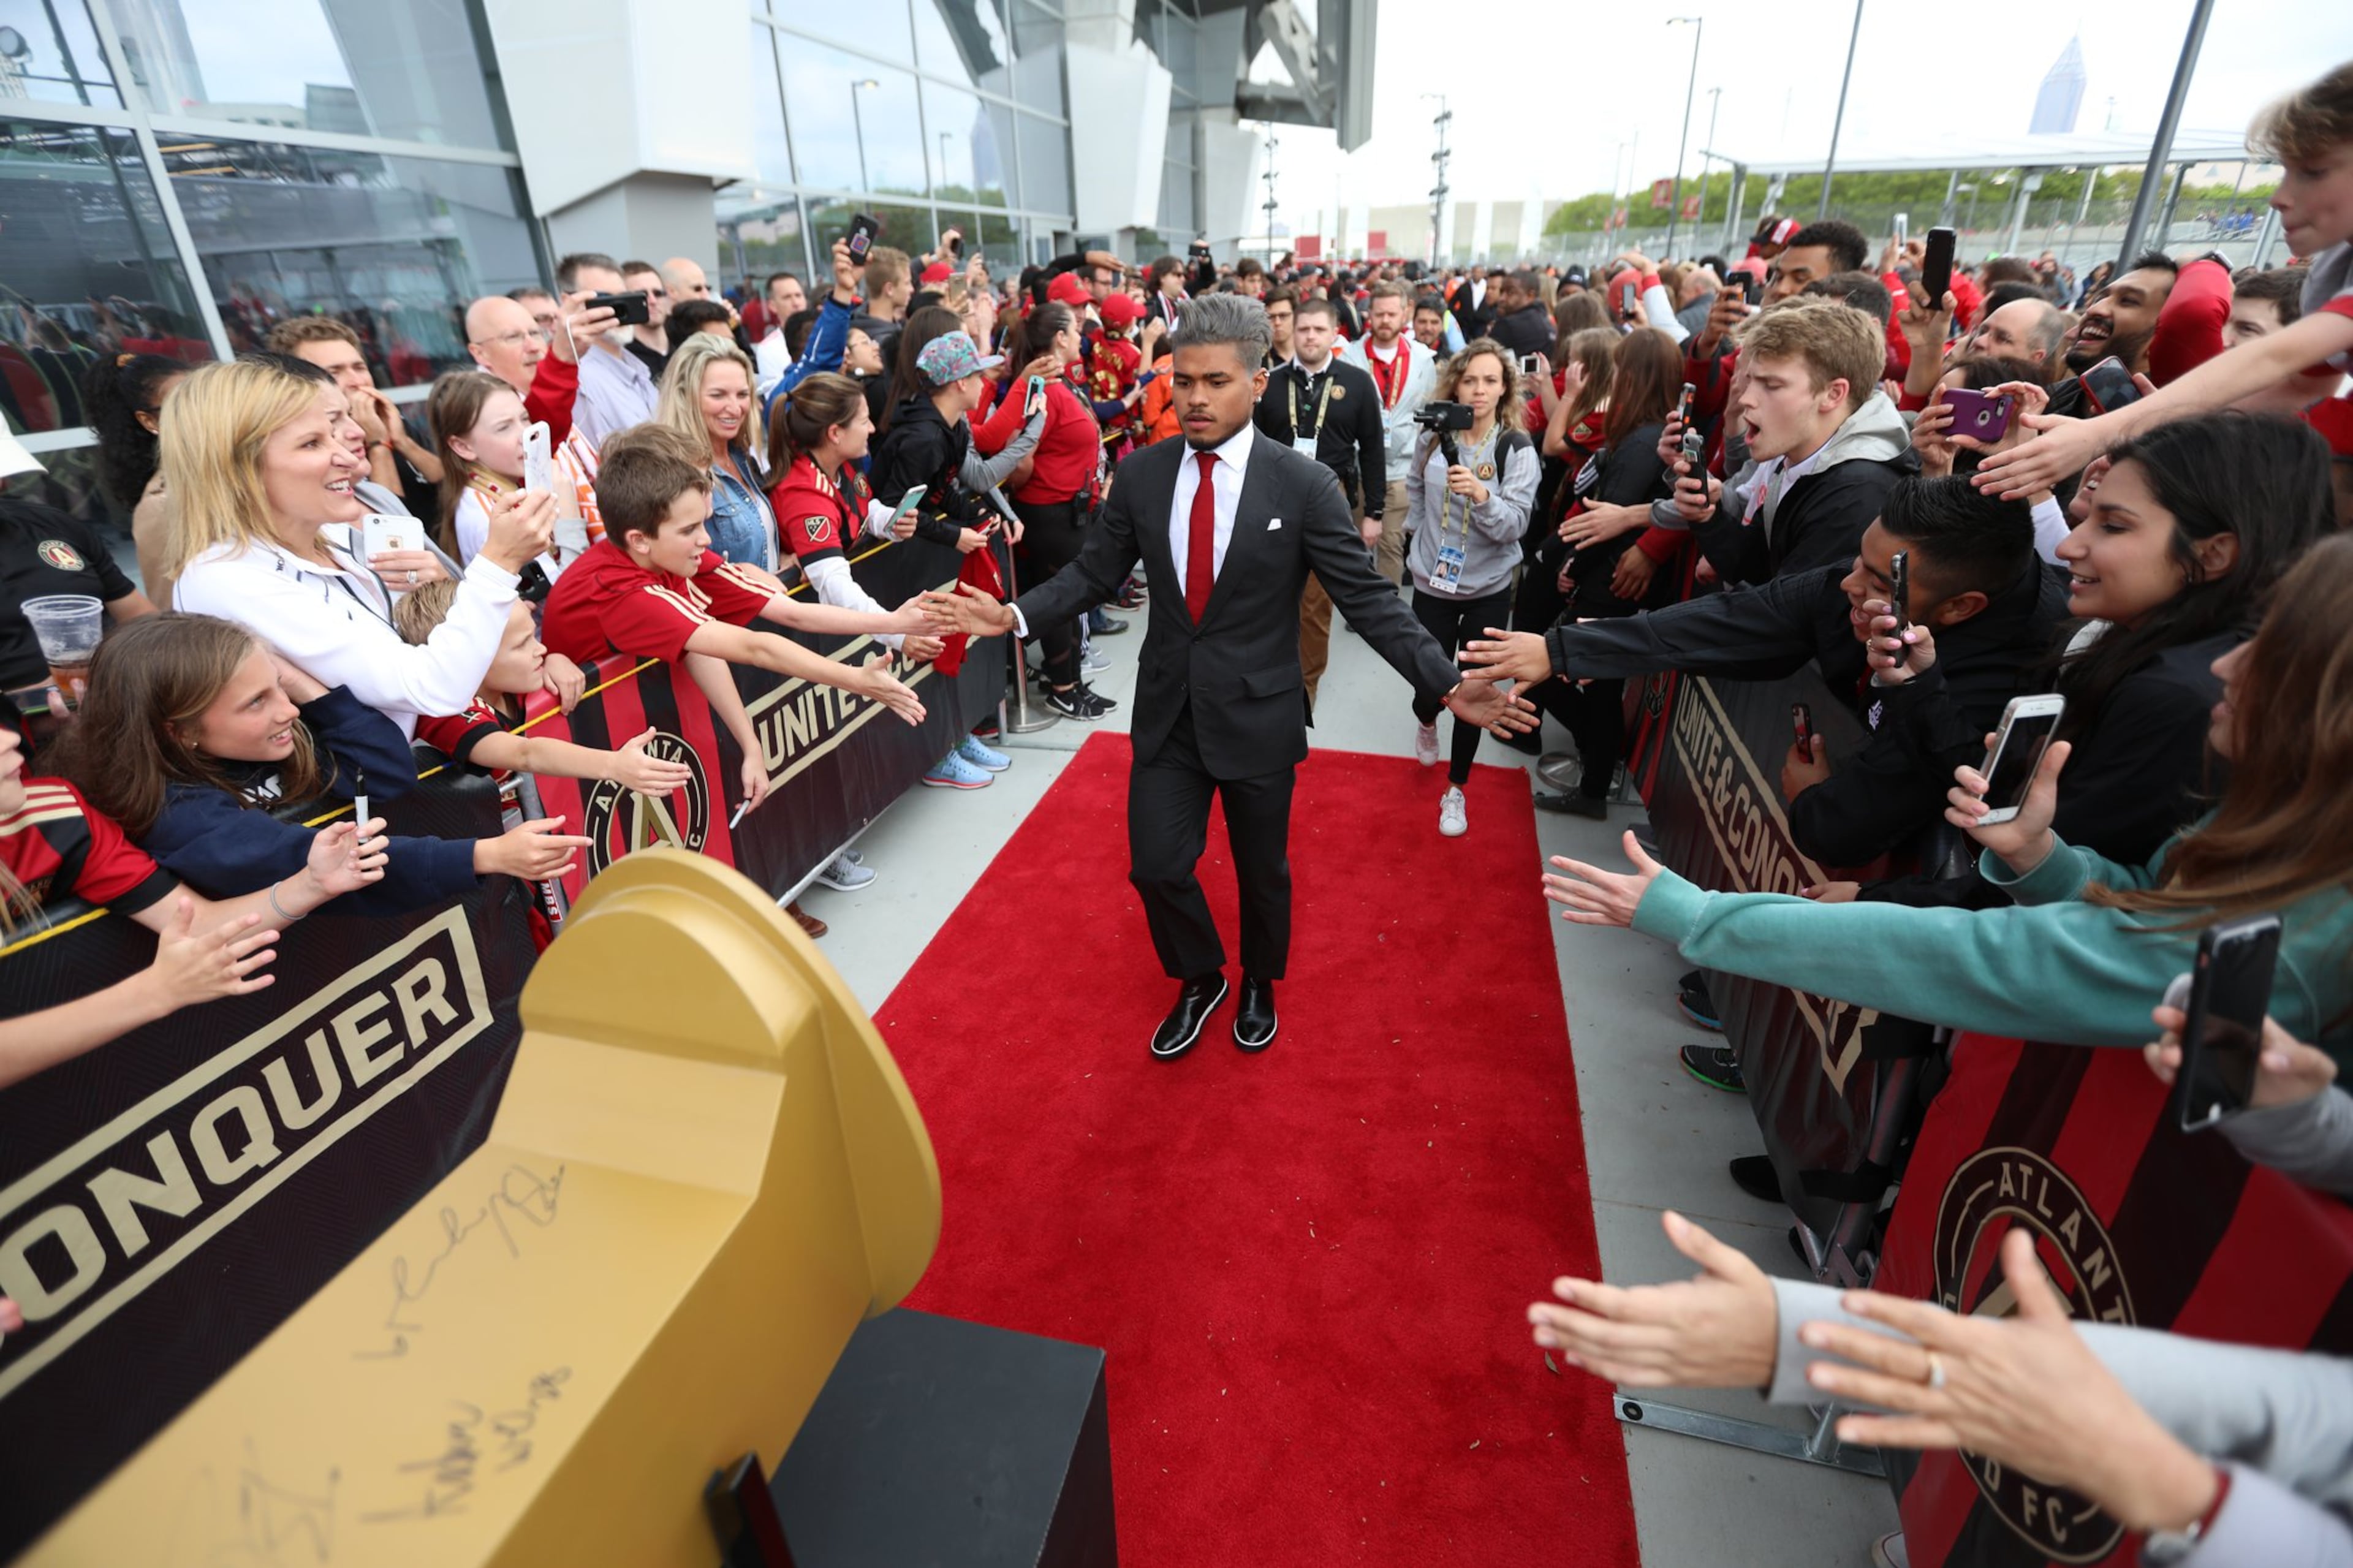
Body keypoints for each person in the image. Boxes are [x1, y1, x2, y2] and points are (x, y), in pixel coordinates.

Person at [922, 294, 1530, 1059]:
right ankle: (1201, 974)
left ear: (1258, 381)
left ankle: (1258, 981)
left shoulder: (1302, 487)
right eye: (1183, 382)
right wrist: (1011, 617)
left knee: (1261, 871)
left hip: (1260, 713)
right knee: (1156, 867)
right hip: (1170, 712)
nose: (1196, 398)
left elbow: (1370, 601)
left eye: (1215, 381)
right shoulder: (1142, 476)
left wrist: (1444, 683)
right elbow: (1091, 574)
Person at [1539, 529, 2353, 1062]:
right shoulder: (2283, 825)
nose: (2224, 667)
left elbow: (2011, 960)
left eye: (2271, 654)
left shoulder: (2320, 922)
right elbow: (2150, 903)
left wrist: (1702, 917)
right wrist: (2041, 860)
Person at [537, 423, 933, 827]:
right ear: (640, 539)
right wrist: (854, 678)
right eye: (691, 529)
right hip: (574, 738)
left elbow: (782, 613)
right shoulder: (627, 594)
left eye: (704, 522)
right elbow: (752, 647)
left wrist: (890, 620)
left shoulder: (670, 554)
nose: (707, 540)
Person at [55, 612, 588, 909]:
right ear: (181, 731)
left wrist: (295, 680)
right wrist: (484, 854)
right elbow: (307, 857)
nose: (289, 710)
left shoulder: (262, 741)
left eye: (278, 688)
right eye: (256, 702)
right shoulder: (174, 813)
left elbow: (384, 769)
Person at [167, 358, 556, 740]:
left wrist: (537, 657)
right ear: (240, 468)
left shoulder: (333, 538)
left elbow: (440, 658)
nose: (346, 457)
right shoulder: (229, 577)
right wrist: (498, 562)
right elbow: (429, 688)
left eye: (335, 434)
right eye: (312, 443)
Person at [0, 722, 381, 1090]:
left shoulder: (55, 813)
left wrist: (311, 884)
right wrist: (155, 991)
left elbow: (198, 927)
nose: (10, 739)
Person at [1669, 297, 1917, 587]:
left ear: (1833, 394)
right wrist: (1708, 518)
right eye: (1750, 380)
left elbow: (1784, 615)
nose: (1746, 399)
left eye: (1771, 385)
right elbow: (1757, 565)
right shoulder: (1802, 456)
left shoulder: (1858, 493)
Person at [1396, 339, 1537, 837]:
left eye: (1490, 381)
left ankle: (1456, 789)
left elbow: (1514, 526)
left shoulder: (1514, 447)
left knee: (1476, 689)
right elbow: (1415, 484)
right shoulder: (1435, 435)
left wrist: (1482, 497)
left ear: (1505, 389)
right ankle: (1427, 718)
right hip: (1433, 583)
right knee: (1427, 687)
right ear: (1455, 384)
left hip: (1489, 587)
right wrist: (1415, 534)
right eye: (1470, 380)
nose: (1478, 390)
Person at [1252, 297, 1388, 706]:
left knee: (1315, 604)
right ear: (1292, 332)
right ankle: (1266, 674)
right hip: (1272, 503)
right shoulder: (1269, 383)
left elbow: (1373, 451)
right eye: (1303, 329)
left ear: (1334, 335)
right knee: (1268, 596)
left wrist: (1374, 512)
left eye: (1318, 330)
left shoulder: (1358, 382)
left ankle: (1304, 687)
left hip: (1331, 504)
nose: (1310, 336)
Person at [998, 301, 1115, 719]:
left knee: (1072, 602)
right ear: (1060, 338)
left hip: (1072, 511)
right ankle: (1063, 687)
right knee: (1061, 603)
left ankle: (1072, 681)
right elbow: (1016, 449)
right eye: (1076, 329)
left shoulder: (1063, 385)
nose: (1082, 336)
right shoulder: (1044, 389)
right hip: (1049, 514)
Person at [0, 445, 158, 692]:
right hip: (21, 723)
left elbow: (141, 617)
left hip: (119, 697)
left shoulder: (52, 524)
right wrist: (39, 697)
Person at [266, 317, 445, 515]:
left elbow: (448, 484)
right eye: (335, 372)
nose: (357, 381)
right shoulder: (319, 446)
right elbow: (388, 524)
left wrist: (403, 442)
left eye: (359, 368)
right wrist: (379, 447)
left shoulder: (386, 416)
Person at [426, 370, 576, 580]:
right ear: (462, 446)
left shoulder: (488, 493)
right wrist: (570, 519)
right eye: (504, 428)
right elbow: (567, 598)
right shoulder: (492, 514)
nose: (525, 435)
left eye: (525, 419)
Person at [1339, 280, 1440, 588]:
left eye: (1391, 314)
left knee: (1391, 544)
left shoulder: (1423, 359)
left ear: (1404, 313)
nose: (1384, 321)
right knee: (1357, 543)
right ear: (1369, 315)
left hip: (1402, 469)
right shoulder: (1350, 357)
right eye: (1379, 314)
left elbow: (1429, 412)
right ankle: (1360, 602)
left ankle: (1386, 610)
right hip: (1359, 467)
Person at [653, 333, 773, 570]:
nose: (735, 408)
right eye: (718, 395)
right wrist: (742, 576)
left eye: (742, 394)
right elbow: (684, 573)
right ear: (685, 397)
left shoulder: (741, 456)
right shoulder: (676, 473)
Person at [85, 352, 191, 603]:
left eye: (208, 396)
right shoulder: (161, 506)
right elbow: (172, 608)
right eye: (183, 404)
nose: (205, 410)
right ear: (149, 421)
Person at [555, 252, 660, 450]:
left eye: (623, 298)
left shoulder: (635, 366)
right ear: (569, 302)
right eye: (603, 300)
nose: (616, 310)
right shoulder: (581, 379)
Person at [618, 259, 673, 382]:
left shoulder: (684, 350)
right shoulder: (622, 358)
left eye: (658, 293)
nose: (653, 301)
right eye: (642, 295)